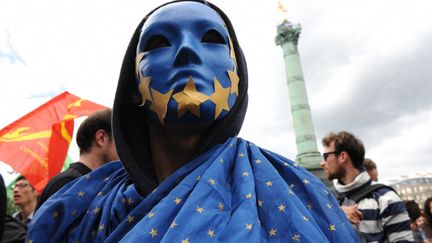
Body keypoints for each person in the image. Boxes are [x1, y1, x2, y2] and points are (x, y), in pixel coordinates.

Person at [27, 1, 358, 242]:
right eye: (159, 43)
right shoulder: (78, 213)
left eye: (212, 39)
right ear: (131, 89)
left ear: (238, 79)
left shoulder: (301, 196)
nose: (187, 51)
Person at [320, 131, 413, 242]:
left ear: (343, 157)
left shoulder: (386, 198)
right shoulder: (332, 203)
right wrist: (337, 214)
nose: (322, 163)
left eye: (326, 156)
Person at [35, 108, 118, 210]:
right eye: (120, 142)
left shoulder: (88, 182)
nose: (125, 151)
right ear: (101, 138)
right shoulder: (68, 183)